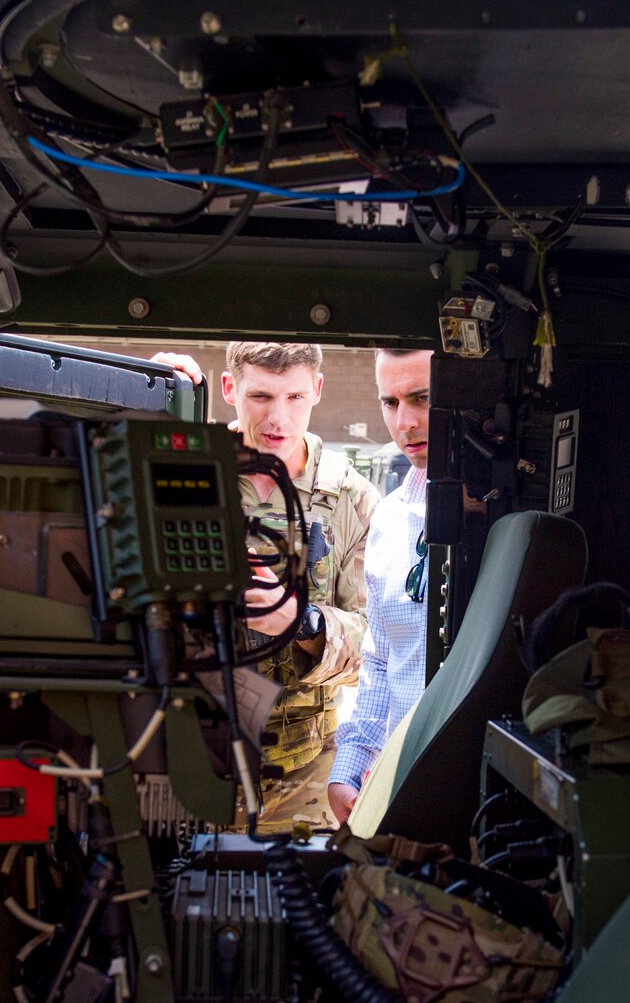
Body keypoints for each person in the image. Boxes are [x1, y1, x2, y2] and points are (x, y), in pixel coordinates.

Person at [153, 343, 378, 827]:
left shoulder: (351, 497)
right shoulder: (187, 470)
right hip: (192, 761)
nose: (278, 417)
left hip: (305, 774)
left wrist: (302, 621)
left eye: (295, 397)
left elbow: (381, 649)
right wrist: (145, 405)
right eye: (260, 396)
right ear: (229, 388)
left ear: (317, 390)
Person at [326, 348, 432, 824]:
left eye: (422, 398)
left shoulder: (508, 520)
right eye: (390, 403)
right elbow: (381, 663)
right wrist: (349, 770)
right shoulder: (388, 520)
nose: (404, 422)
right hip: (401, 788)